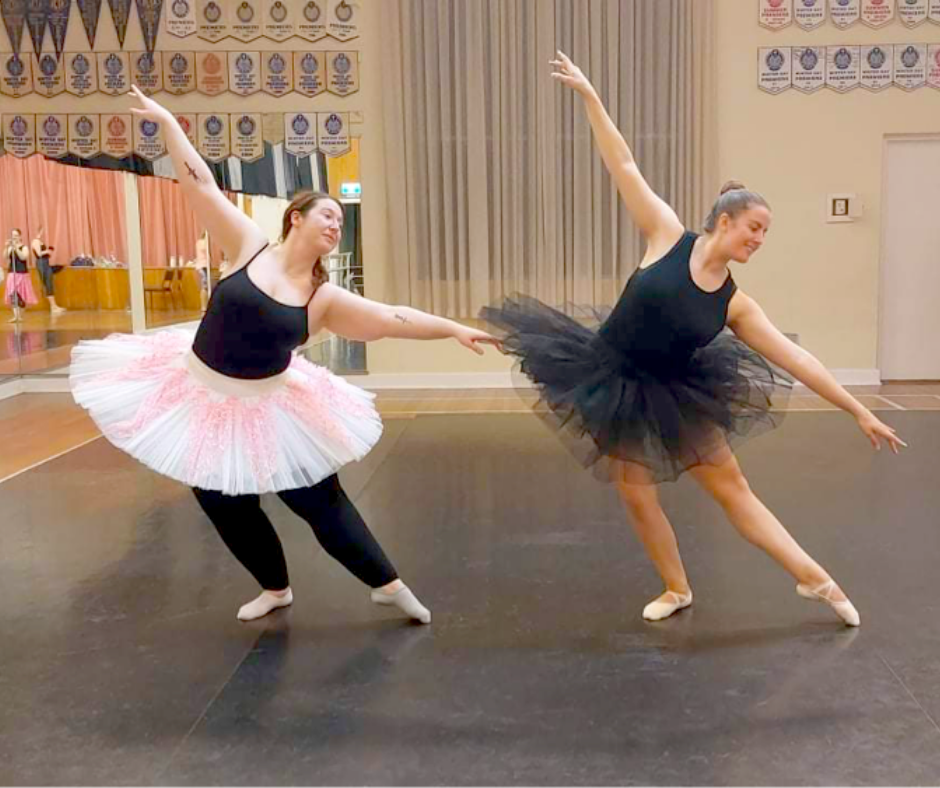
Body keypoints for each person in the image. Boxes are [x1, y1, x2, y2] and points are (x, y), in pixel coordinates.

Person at [481, 52, 905, 627]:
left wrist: (858, 408)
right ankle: (676, 587)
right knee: (635, 492)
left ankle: (816, 579)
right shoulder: (665, 234)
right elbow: (624, 165)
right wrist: (590, 96)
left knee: (734, 491)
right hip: (610, 374)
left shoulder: (734, 303)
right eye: (755, 227)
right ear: (724, 221)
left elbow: (797, 357)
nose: (760, 239)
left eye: (765, 233)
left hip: (676, 394)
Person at [71, 86, 499, 624]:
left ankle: (388, 585)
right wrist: (166, 123)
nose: (335, 225)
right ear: (296, 217)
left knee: (317, 501)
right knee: (223, 500)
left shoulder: (324, 300)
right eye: (327, 214)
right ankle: (275, 587)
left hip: (271, 404)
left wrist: (454, 329)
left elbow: (393, 318)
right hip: (198, 390)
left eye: (340, 223)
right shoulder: (248, 245)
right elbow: (200, 182)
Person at [3, 228, 37, 323]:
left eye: (16, 235)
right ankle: (15, 316)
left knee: (21, 296)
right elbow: (5, 257)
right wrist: (6, 247)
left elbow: (23, 257)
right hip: (12, 273)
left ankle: (20, 315)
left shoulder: (24, 247)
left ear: (20, 236)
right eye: (13, 236)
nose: (14, 237)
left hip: (22, 274)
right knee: (13, 294)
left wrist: (16, 248)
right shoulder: (10, 247)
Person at [31, 226, 66, 314]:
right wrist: (47, 251)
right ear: (40, 231)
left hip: (45, 262)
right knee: (47, 282)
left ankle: (53, 306)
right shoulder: (35, 241)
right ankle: (53, 307)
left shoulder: (40, 242)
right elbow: (39, 254)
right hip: (42, 263)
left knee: (49, 282)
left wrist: (48, 253)